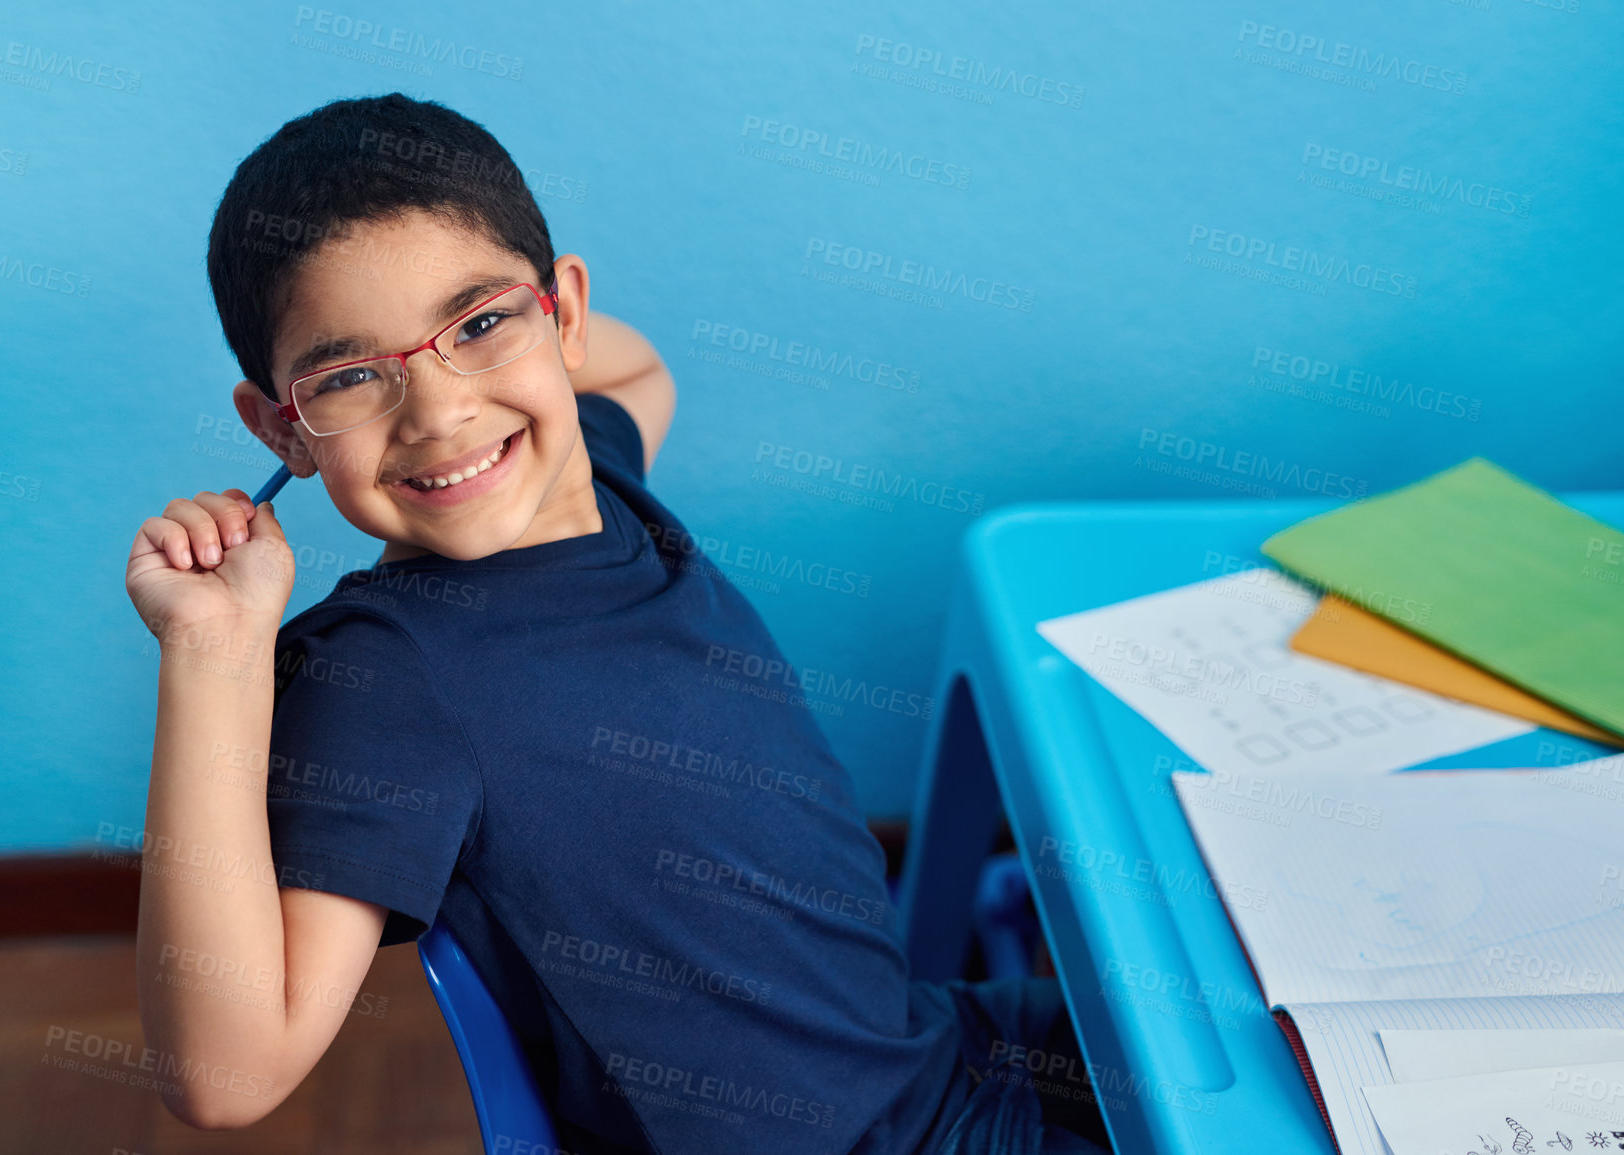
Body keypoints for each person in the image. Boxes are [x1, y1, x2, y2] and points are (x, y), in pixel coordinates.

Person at [123, 92, 1109, 1155]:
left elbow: (635, 369)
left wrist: (528, 343)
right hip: (871, 1143)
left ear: (566, 312)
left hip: (922, 1053)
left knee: (1248, 1024)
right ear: (284, 428)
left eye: (481, 323)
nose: (441, 412)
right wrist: (213, 654)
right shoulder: (388, 679)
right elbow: (222, 1081)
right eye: (353, 377)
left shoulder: (592, 470)